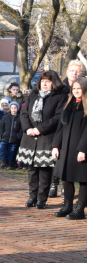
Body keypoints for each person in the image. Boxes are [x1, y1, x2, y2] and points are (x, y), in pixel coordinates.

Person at [17, 71, 67, 208]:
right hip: (30, 137)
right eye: (43, 80)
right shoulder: (34, 94)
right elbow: (24, 112)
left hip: (46, 137)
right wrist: (28, 129)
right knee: (32, 170)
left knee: (44, 170)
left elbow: (57, 117)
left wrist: (40, 129)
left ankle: (41, 199)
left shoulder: (60, 96)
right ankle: (32, 196)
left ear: (54, 82)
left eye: (48, 81)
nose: (44, 83)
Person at [52, 77, 87, 219]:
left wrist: (83, 149)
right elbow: (61, 127)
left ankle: (79, 209)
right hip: (66, 147)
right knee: (66, 177)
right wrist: (56, 145)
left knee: (83, 179)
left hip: (80, 148)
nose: (76, 91)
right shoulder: (69, 104)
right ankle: (67, 206)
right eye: (74, 88)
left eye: (79, 88)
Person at [0, 101, 22, 169]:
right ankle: (3, 161)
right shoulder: (6, 117)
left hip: (14, 138)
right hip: (5, 137)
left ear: (17, 108)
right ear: (10, 108)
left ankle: (9, 163)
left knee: (11, 151)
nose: (13, 109)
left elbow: (21, 128)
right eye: (12, 108)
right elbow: (1, 126)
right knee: (1, 148)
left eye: (15, 108)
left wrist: (18, 136)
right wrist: (2, 134)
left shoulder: (19, 117)